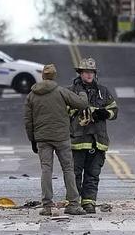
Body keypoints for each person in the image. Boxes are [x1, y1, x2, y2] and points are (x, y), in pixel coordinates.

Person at [24, 63, 89, 216]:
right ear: (54, 76)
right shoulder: (61, 92)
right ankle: (73, 204)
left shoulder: (32, 95)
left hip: (42, 138)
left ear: (43, 76)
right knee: (68, 169)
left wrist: (32, 139)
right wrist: (82, 92)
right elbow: (82, 104)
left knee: (46, 169)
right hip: (61, 137)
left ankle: (47, 206)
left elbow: (28, 120)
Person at [68, 57, 118, 214]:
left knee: (93, 174)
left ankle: (89, 203)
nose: (89, 75)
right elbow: (64, 111)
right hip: (78, 139)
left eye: (91, 72)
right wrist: (80, 111)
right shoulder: (71, 91)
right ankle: (74, 203)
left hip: (98, 140)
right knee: (75, 174)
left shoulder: (103, 92)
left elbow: (114, 111)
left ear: (95, 74)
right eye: (86, 72)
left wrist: (104, 113)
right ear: (80, 73)